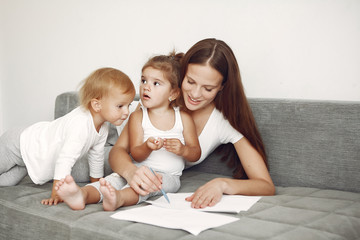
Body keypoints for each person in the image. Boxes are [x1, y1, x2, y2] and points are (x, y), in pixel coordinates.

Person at [108, 38, 275, 209]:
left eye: (208, 88)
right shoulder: (159, 99)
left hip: (156, 174)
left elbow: (265, 185)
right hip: (112, 138)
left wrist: (222, 184)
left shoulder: (222, 122)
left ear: (222, 87)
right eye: (190, 82)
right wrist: (131, 172)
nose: (195, 94)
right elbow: (117, 152)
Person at [55, 52, 201, 211]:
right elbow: (136, 154)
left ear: (173, 93)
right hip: (136, 168)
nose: (146, 86)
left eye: (156, 83)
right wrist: (147, 147)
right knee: (111, 181)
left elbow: (195, 153)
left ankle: (119, 199)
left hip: (168, 176)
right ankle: (81, 195)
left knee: (145, 186)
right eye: (144, 80)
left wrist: (183, 149)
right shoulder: (137, 117)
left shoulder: (183, 118)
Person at [0, 67, 135, 206]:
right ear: (96, 105)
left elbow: (96, 158)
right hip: (17, 144)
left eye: (128, 105)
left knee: (6, 183)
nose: (126, 112)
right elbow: (65, 160)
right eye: (120, 106)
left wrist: (97, 186)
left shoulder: (103, 128)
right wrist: (57, 193)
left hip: (27, 161)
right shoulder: (80, 124)